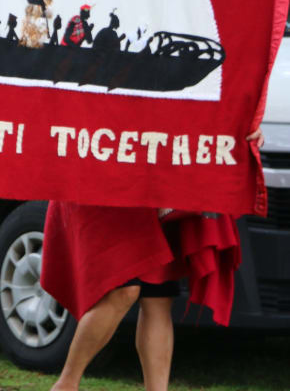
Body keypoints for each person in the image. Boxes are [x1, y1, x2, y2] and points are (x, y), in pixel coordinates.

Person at [42, 128, 264, 391]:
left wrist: (240, 125)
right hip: (104, 162)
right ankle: (66, 384)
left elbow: (216, 94)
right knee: (123, 289)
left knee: (158, 297)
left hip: (157, 168)